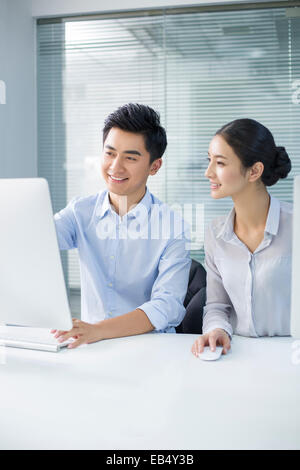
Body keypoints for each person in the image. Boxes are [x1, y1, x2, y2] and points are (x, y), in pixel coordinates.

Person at [52, 103, 191, 348]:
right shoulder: (80, 212)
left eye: (130, 157)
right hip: (92, 347)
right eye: (110, 153)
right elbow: (37, 239)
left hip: (150, 349)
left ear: (154, 166)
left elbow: (166, 306)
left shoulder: (172, 226)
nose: (116, 166)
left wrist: (98, 330)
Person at [191, 118, 292, 357]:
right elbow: (217, 305)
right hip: (238, 356)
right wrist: (216, 329)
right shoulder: (216, 233)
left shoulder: (295, 226)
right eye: (209, 161)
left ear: (254, 171)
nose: (208, 172)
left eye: (220, 163)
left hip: (290, 357)